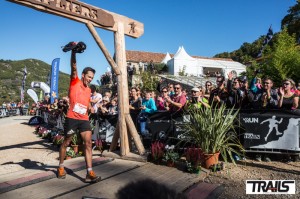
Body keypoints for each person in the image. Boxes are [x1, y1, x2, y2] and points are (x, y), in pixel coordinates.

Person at [57, 49, 101, 182]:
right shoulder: (75, 81)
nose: (90, 80)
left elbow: (85, 102)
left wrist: (89, 107)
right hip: (72, 118)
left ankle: (89, 172)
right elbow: (74, 66)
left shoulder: (89, 90)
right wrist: (74, 52)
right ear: (83, 75)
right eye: (89, 77)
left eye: (92, 78)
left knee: (88, 143)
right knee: (66, 142)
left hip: (84, 119)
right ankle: (61, 166)